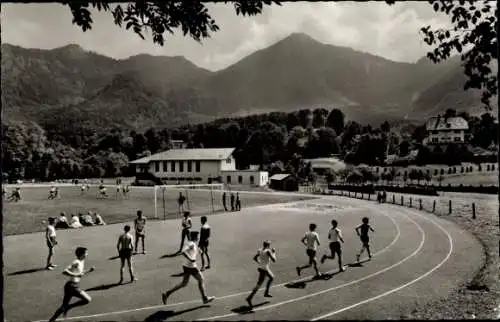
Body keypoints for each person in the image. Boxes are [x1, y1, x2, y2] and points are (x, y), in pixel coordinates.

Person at [161, 231, 215, 305]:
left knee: (184, 283)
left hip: (186, 266)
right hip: (191, 266)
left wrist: (201, 251)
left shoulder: (193, 244)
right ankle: (205, 298)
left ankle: (167, 294)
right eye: (197, 236)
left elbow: (198, 252)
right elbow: (183, 252)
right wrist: (191, 259)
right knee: (201, 279)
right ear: (195, 237)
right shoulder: (190, 244)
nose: (198, 238)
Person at [48, 247, 95, 322]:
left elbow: (80, 273)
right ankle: (68, 307)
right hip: (72, 287)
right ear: (82, 254)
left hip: (71, 286)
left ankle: (51, 320)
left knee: (63, 306)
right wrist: (75, 275)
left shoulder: (81, 261)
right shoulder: (76, 262)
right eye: (86, 253)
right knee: (87, 299)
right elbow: (65, 271)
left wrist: (89, 271)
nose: (87, 254)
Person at [246, 240, 276, 308]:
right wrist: (274, 252)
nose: (270, 246)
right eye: (269, 245)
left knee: (271, 278)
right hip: (264, 269)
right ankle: (249, 298)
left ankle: (266, 293)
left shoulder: (260, 250)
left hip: (262, 268)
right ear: (268, 245)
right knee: (259, 284)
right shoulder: (268, 251)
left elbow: (254, 258)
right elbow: (274, 260)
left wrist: (260, 263)